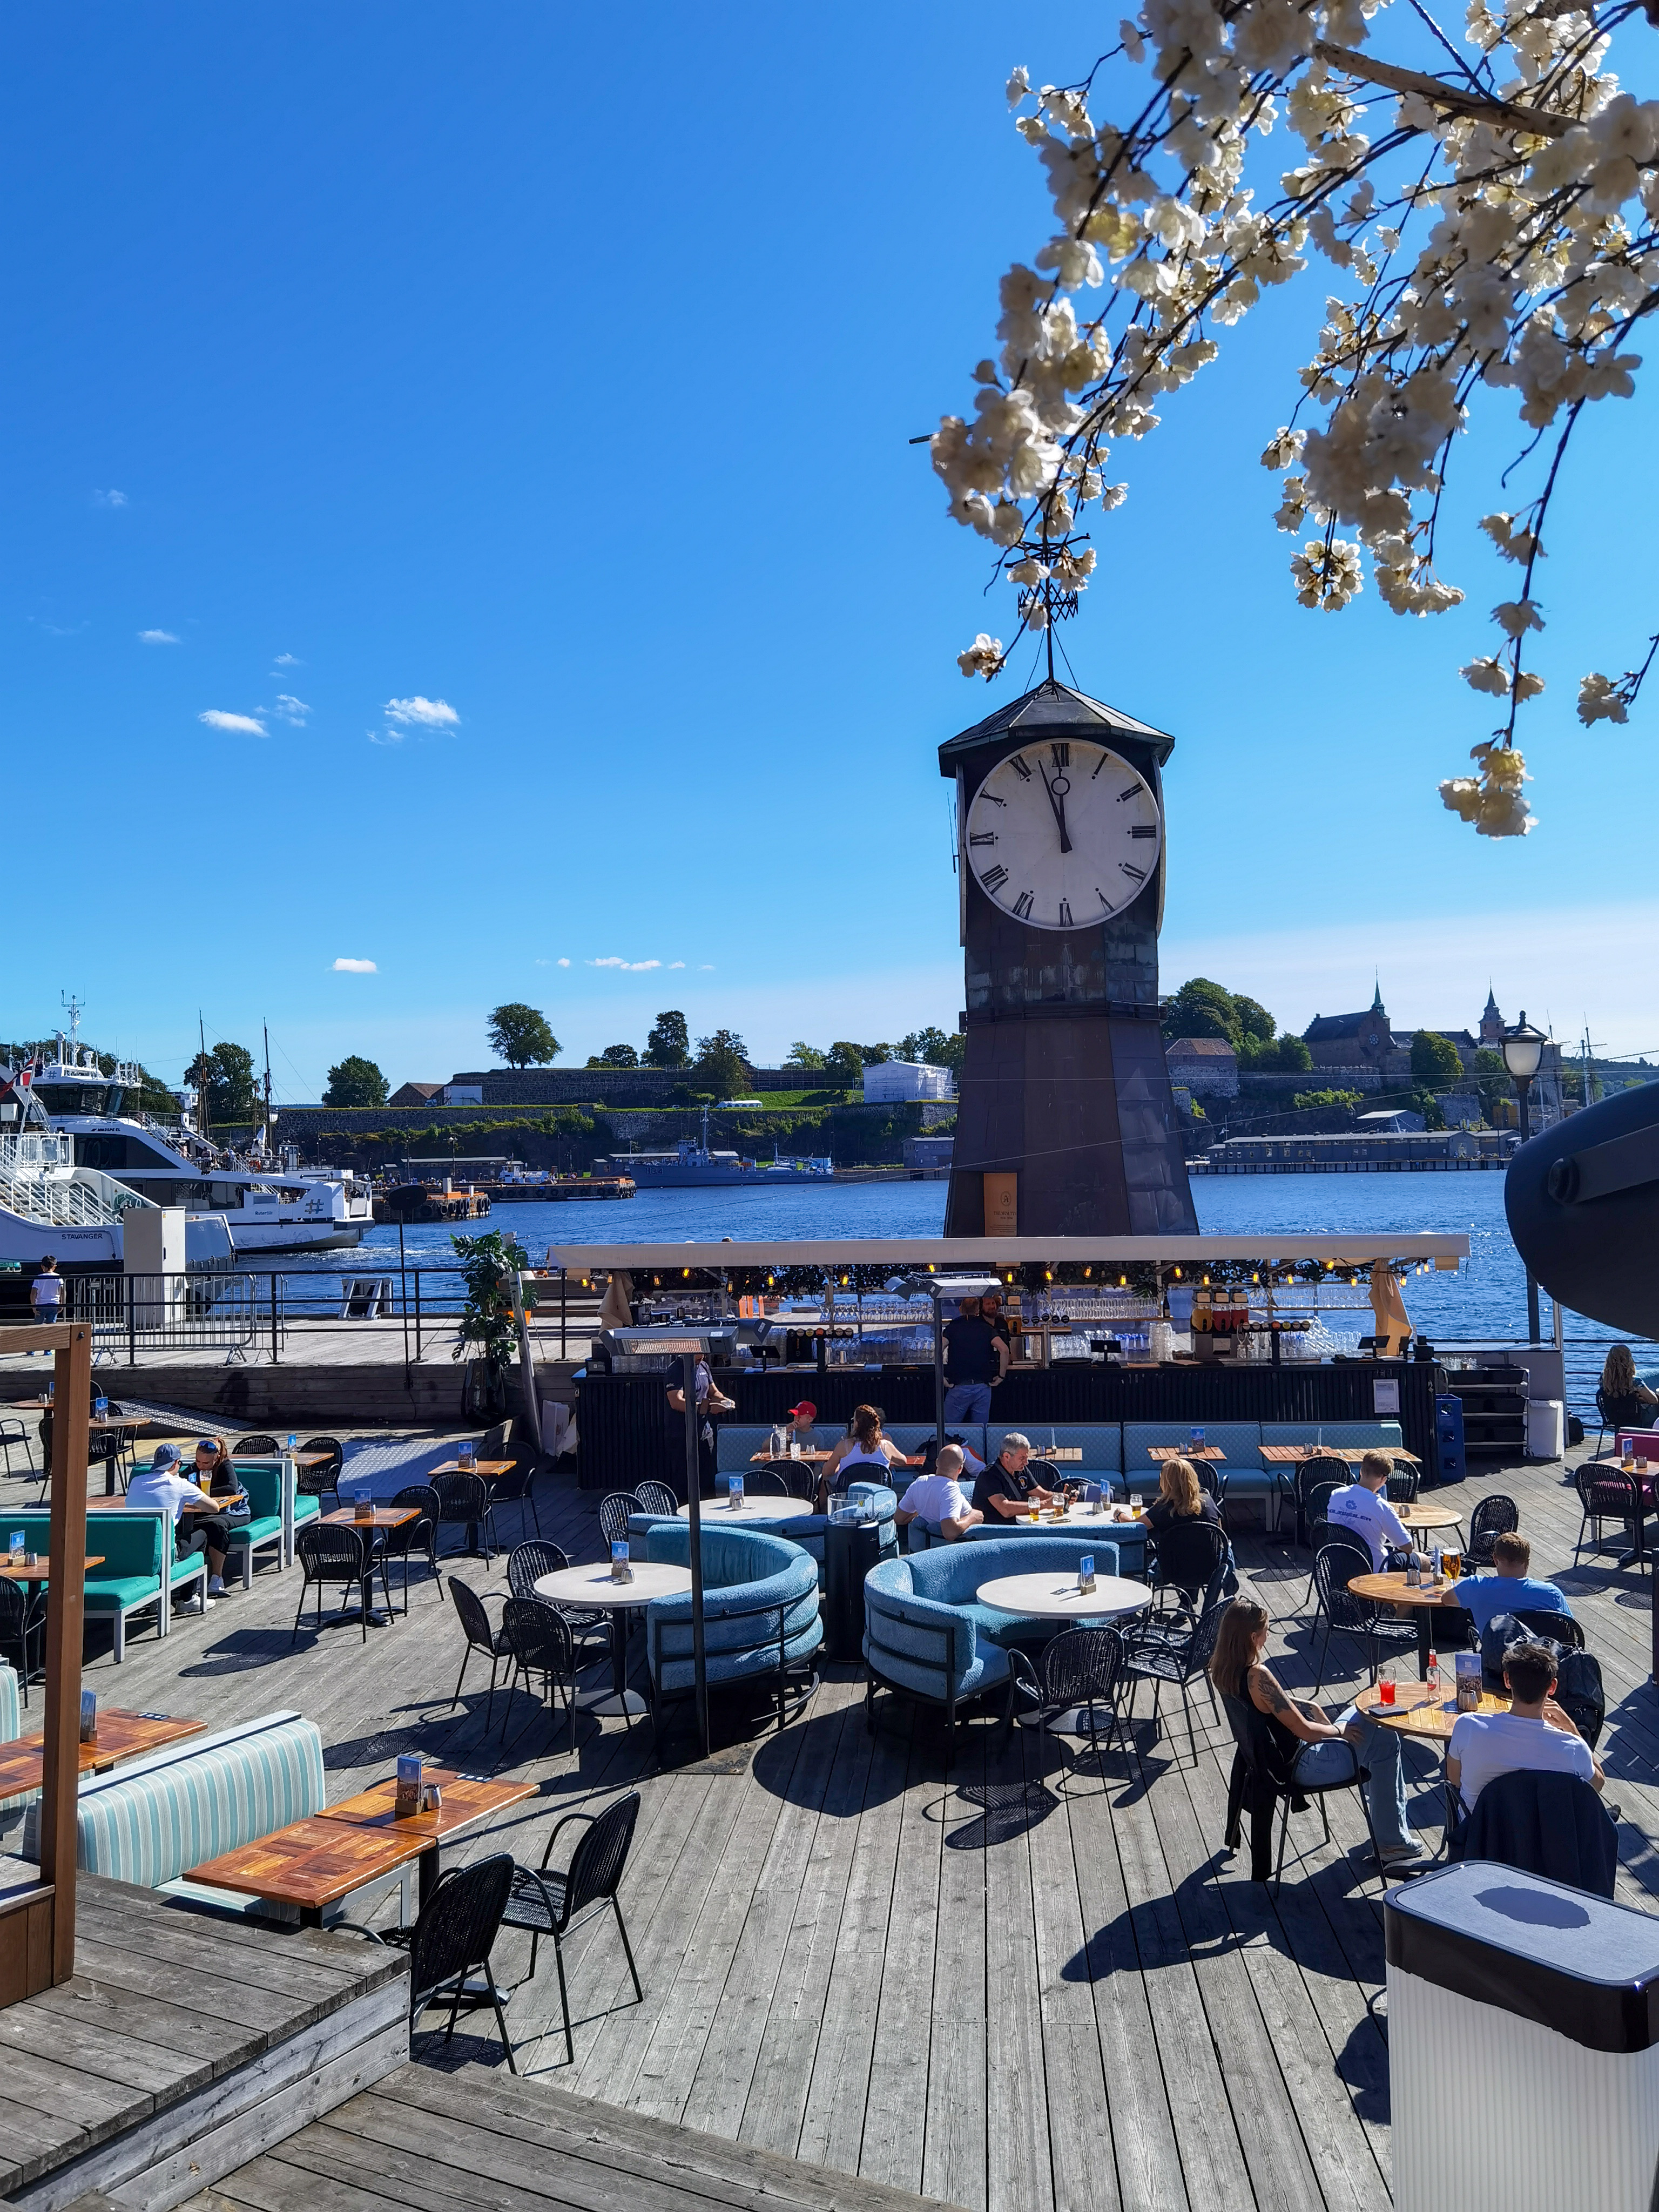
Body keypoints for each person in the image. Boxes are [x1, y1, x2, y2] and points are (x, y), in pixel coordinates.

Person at [1210, 1595, 1429, 1869]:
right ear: (1253, 1637)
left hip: (1279, 1763)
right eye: (1266, 1630)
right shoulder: (1258, 1675)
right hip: (1308, 1764)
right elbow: (1305, 1731)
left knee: (1386, 1740)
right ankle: (1391, 1841)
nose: (1268, 1635)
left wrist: (1310, 1707)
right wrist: (1338, 1730)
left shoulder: (1223, 1670)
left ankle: (1390, 1839)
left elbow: (1266, 1705)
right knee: (1372, 1712)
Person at [1446, 1638, 1603, 1815]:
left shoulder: (1467, 1726)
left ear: (1507, 1679)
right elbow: (1598, 1784)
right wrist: (1572, 1728)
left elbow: (1455, 1779)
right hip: (1545, 1833)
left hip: (1478, 1831)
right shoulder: (1574, 1749)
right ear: (1552, 1687)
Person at [127, 1442, 234, 1609]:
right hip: (164, 1552)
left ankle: (165, 1597)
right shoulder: (181, 1484)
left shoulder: (136, 1482)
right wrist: (186, 1498)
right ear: (177, 1463)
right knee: (201, 1535)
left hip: (134, 1550)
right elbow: (214, 1508)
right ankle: (188, 1599)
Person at [1449, 1531, 1574, 1637]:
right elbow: (1572, 1631)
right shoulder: (1552, 1594)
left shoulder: (1474, 1586)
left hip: (1494, 1658)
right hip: (1540, 1657)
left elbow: (1446, 1599)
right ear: (1527, 1563)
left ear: (1495, 1560)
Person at [1327, 1450, 1425, 1573]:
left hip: (1338, 1565)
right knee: (1423, 1559)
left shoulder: (1336, 1494)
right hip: (1371, 1569)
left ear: (1361, 1471)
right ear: (1384, 1479)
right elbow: (1407, 1547)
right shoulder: (1381, 1507)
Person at [816, 1405, 919, 1508]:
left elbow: (827, 1472)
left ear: (856, 1423)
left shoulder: (843, 1446)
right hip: (878, 1499)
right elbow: (903, 1461)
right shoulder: (886, 1446)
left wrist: (840, 1465)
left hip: (848, 1499)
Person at [894, 1444, 983, 1543]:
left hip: (929, 1543)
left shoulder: (919, 1483)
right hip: (961, 1544)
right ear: (960, 1468)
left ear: (937, 1462)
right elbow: (950, 1533)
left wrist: (921, 1510)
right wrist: (973, 1517)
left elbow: (899, 1518)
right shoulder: (950, 1489)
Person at [942, 1296, 1005, 1426]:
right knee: (981, 1428)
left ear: (960, 1309)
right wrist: (1001, 1376)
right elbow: (1004, 1350)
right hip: (982, 1386)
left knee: (949, 1428)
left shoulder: (952, 1328)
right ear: (978, 1311)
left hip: (959, 1385)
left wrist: (941, 1376)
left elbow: (938, 1349)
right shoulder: (986, 1328)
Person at [972, 1432, 1055, 1521]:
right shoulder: (989, 1476)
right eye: (1022, 1458)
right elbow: (1006, 1509)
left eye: (1027, 1458)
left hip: (1020, 1522)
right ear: (1007, 1456)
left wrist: (1060, 1497)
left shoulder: (1021, 1469)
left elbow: (1042, 1494)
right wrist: (1044, 1504)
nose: (1026, 1462)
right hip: (997, 1527)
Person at [1600, 1343, 1657, 1418]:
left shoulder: (1604, 1379)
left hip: (1611, 1418)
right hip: (1632, 1419)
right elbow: (1654, 1400)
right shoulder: (1635, 1382)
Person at [28, 1256, 62, 1323]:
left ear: (42, 1266)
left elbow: (33, 1293)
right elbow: (63, 1292)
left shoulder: (38, 1278)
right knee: (52, 1325)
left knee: (38, 1325)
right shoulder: (59, 1278)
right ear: (55, 1267)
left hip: (41, 1304)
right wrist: (62, 1304)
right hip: (54, 1304)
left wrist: (33, 1306)